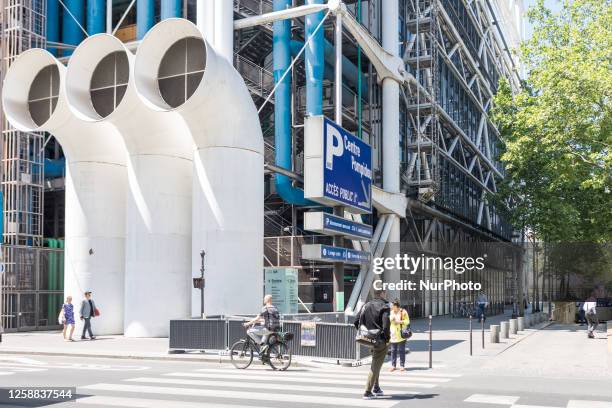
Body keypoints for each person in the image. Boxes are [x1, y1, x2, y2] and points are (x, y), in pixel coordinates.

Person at [354, 289, 390, 400]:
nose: (386, 295)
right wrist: (387, 338)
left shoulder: (366, 305)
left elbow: (356, 321)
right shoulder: (384, 306)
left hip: (368, 339)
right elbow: (386, 325)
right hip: (379, 340)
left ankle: (376, 388)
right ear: (382, 294)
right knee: (375, 365)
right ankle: (367, 391)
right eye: (385, 293)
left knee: (376, 362)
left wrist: (365, 333)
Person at [388, 299, 410, 372]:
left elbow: (407, 321)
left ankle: (402, 366)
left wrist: (399, 322)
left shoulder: (403, 312)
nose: (392, 308)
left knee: (401, 350)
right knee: (393, 350)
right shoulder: (391, 312)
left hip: (401, 334)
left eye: (393, 306)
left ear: (397, 306)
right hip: (393, 334)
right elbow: (388, 321)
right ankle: (393, 365)